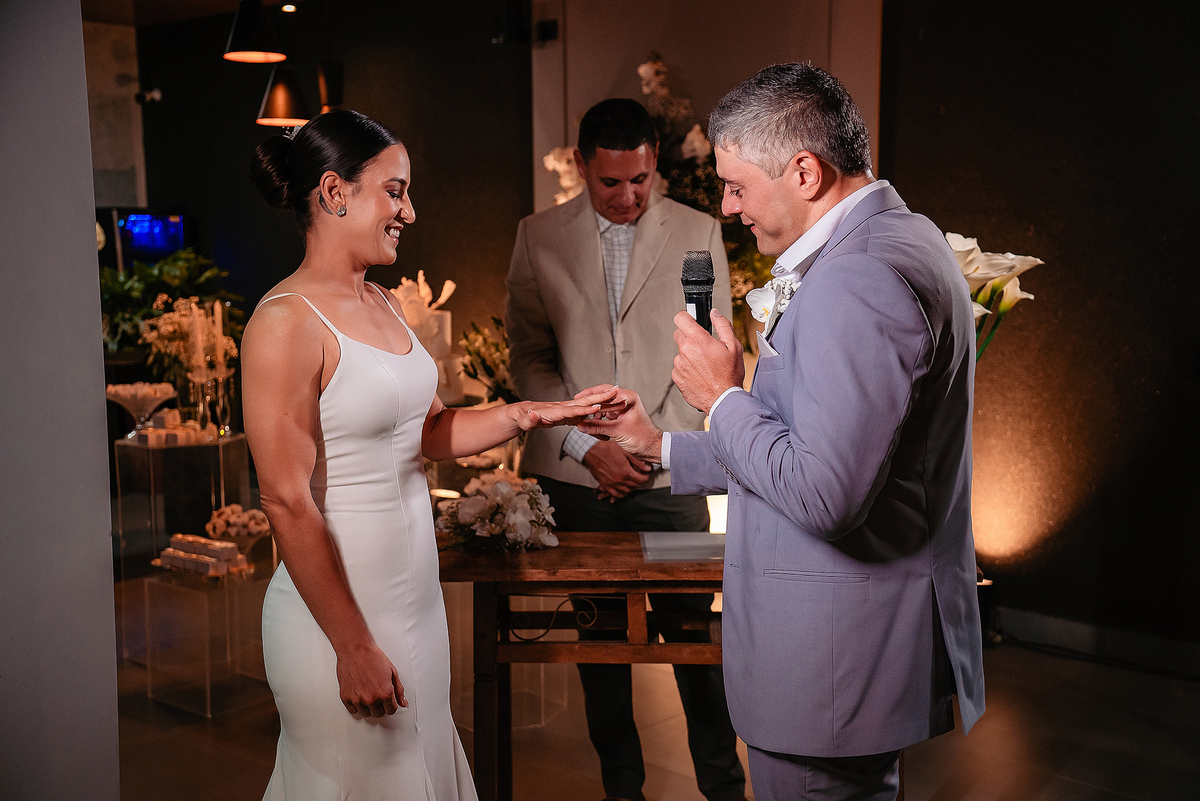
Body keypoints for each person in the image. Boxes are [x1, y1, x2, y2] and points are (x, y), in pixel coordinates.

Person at [576, 64, 986, 801]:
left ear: (804, 172)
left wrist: (723, 398)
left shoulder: (857, 278)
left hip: (826, 665)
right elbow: (806, 442)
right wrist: (660, 445)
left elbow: (824, 494)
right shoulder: (901, 236)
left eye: (737, 186)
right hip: (848, 651)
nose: (728, 207)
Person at [242, 109, 612, 801]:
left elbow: (429, 431)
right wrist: (352, 645)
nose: (409, 211)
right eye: (396, 191)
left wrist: (532, 414)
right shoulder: (285, 321)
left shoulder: (384, 302)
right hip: (337, 622)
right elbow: (285, 499)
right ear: (334, 192)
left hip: (414, 606)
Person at [505, 98, 746, 801]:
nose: (628, 195)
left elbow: (711, 354)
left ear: (654, 163)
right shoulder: (537, 236)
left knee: (696, 647)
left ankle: (725, 789)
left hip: (670, 482)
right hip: (580, 485)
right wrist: (587, 445)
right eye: (611, 182)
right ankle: (622, 792)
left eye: (640, 179)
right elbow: (529, 360)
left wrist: (654, 448)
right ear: (582, 166)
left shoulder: (699, 231)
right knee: (600, 650)